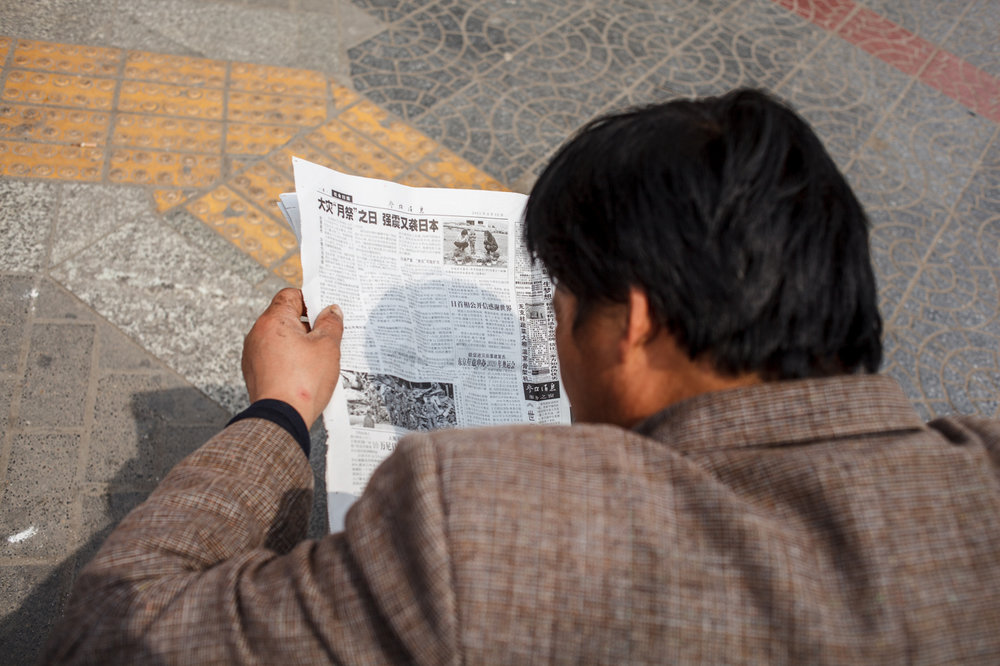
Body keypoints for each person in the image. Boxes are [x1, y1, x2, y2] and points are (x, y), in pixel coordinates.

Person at [44, 89, 1000, 663]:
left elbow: (113, 635)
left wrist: (280, 414)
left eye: (558, 304)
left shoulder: (488, 527)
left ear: (631, 324)